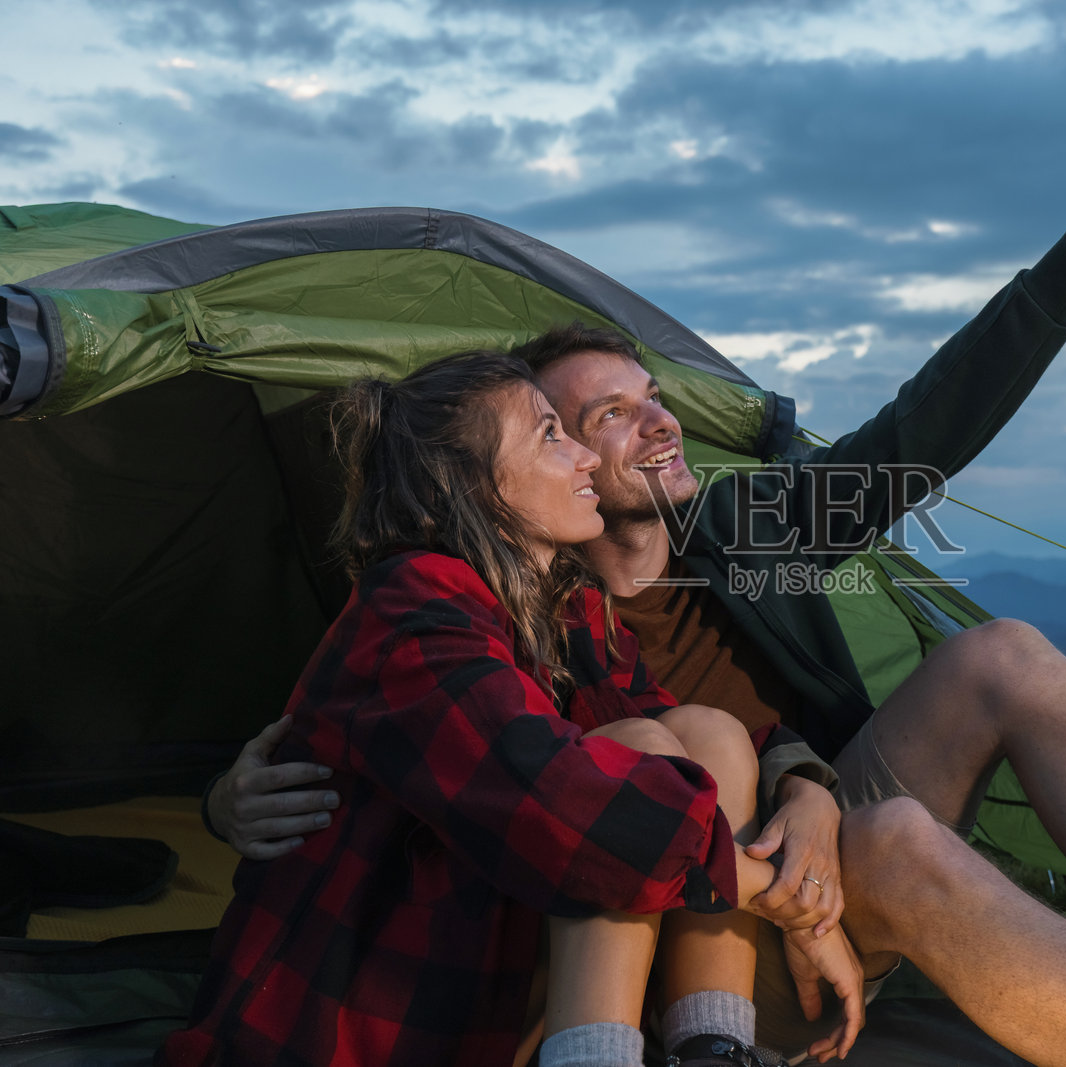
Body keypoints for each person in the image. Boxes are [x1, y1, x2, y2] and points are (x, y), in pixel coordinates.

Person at [208, 72, 1066, 1067]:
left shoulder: (741, 529)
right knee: (852, 826)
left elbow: (916, 441)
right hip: (670, 903)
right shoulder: (506, 604)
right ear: (526, 466)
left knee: (1000, 659)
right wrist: (229, 789)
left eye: (651, 396)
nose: (652, 423)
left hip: (781, 852)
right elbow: (435, 751)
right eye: (599, 417)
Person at [161, 351, 860, 1067]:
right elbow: (566, 809)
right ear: (468, 485)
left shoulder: (569, 608)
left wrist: (802, 785)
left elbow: (694, 736)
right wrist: (785, 898)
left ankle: (715, 1050)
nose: (586, 457)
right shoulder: (412, 609)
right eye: (552, 435)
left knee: (701, 731)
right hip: (362, 1024)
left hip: (485, 976)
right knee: (631, 771)